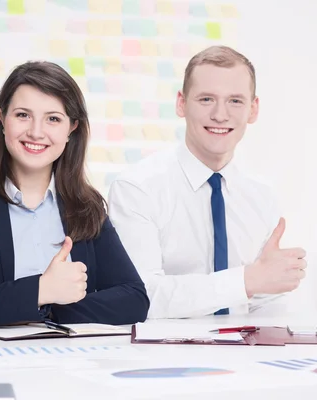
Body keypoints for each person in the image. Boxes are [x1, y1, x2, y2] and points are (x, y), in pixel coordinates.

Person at [0, 61, 149, 329]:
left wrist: (53, 309)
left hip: (69, 359)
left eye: (53, 119)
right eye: (23, 115)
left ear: (72, 129)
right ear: (2, 118)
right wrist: (40, 291)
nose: (35, 132)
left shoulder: (85, 205)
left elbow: (134, 299)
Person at [108, 46, 307, 319]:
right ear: (181, 103)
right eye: (206, 99)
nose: (220, 115)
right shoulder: (137, 188)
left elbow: (266, 298)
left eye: (235, 101)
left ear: (253, 109)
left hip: (247, 357)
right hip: (162, 357)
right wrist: (245, 280)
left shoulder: (262, 195)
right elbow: (141, 295)